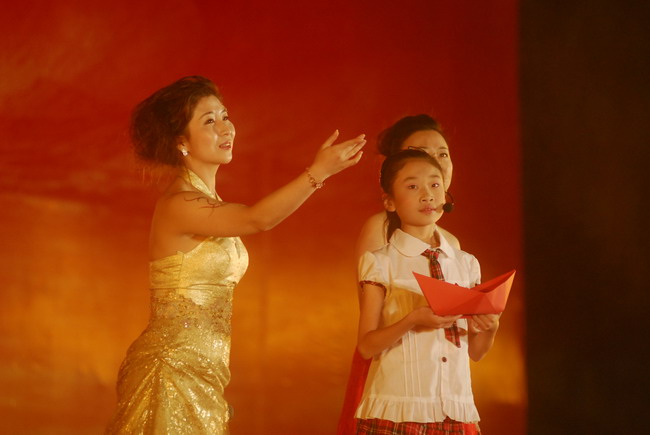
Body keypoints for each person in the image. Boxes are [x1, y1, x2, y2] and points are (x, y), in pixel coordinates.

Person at [105, 76, 365, 434]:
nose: (226, 128)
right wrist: (318, 172)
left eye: (225, 116)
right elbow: (257, 219)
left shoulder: (205, 202)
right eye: (209, 121)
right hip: (171, 370)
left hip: (205, 371)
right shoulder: (179, 203)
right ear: (181, 141)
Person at [354, 149, 499, 433]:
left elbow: (476, 352)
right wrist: (412, 320)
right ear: (389, 201)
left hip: (455, 411)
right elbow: (366, 346)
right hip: (399, 410)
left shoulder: (466, 263)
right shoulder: (380, 261)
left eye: (434, 184)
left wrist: (490, 328)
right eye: (412, 186)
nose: (427, 195)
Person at [337, 115, 459, 434]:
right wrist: (415, 318)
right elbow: (373, 322)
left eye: (442, 153)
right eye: (419, 152)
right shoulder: (380, 229)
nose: (433, 161)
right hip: (393, 378)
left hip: (441, 383)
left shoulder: (452, 245)